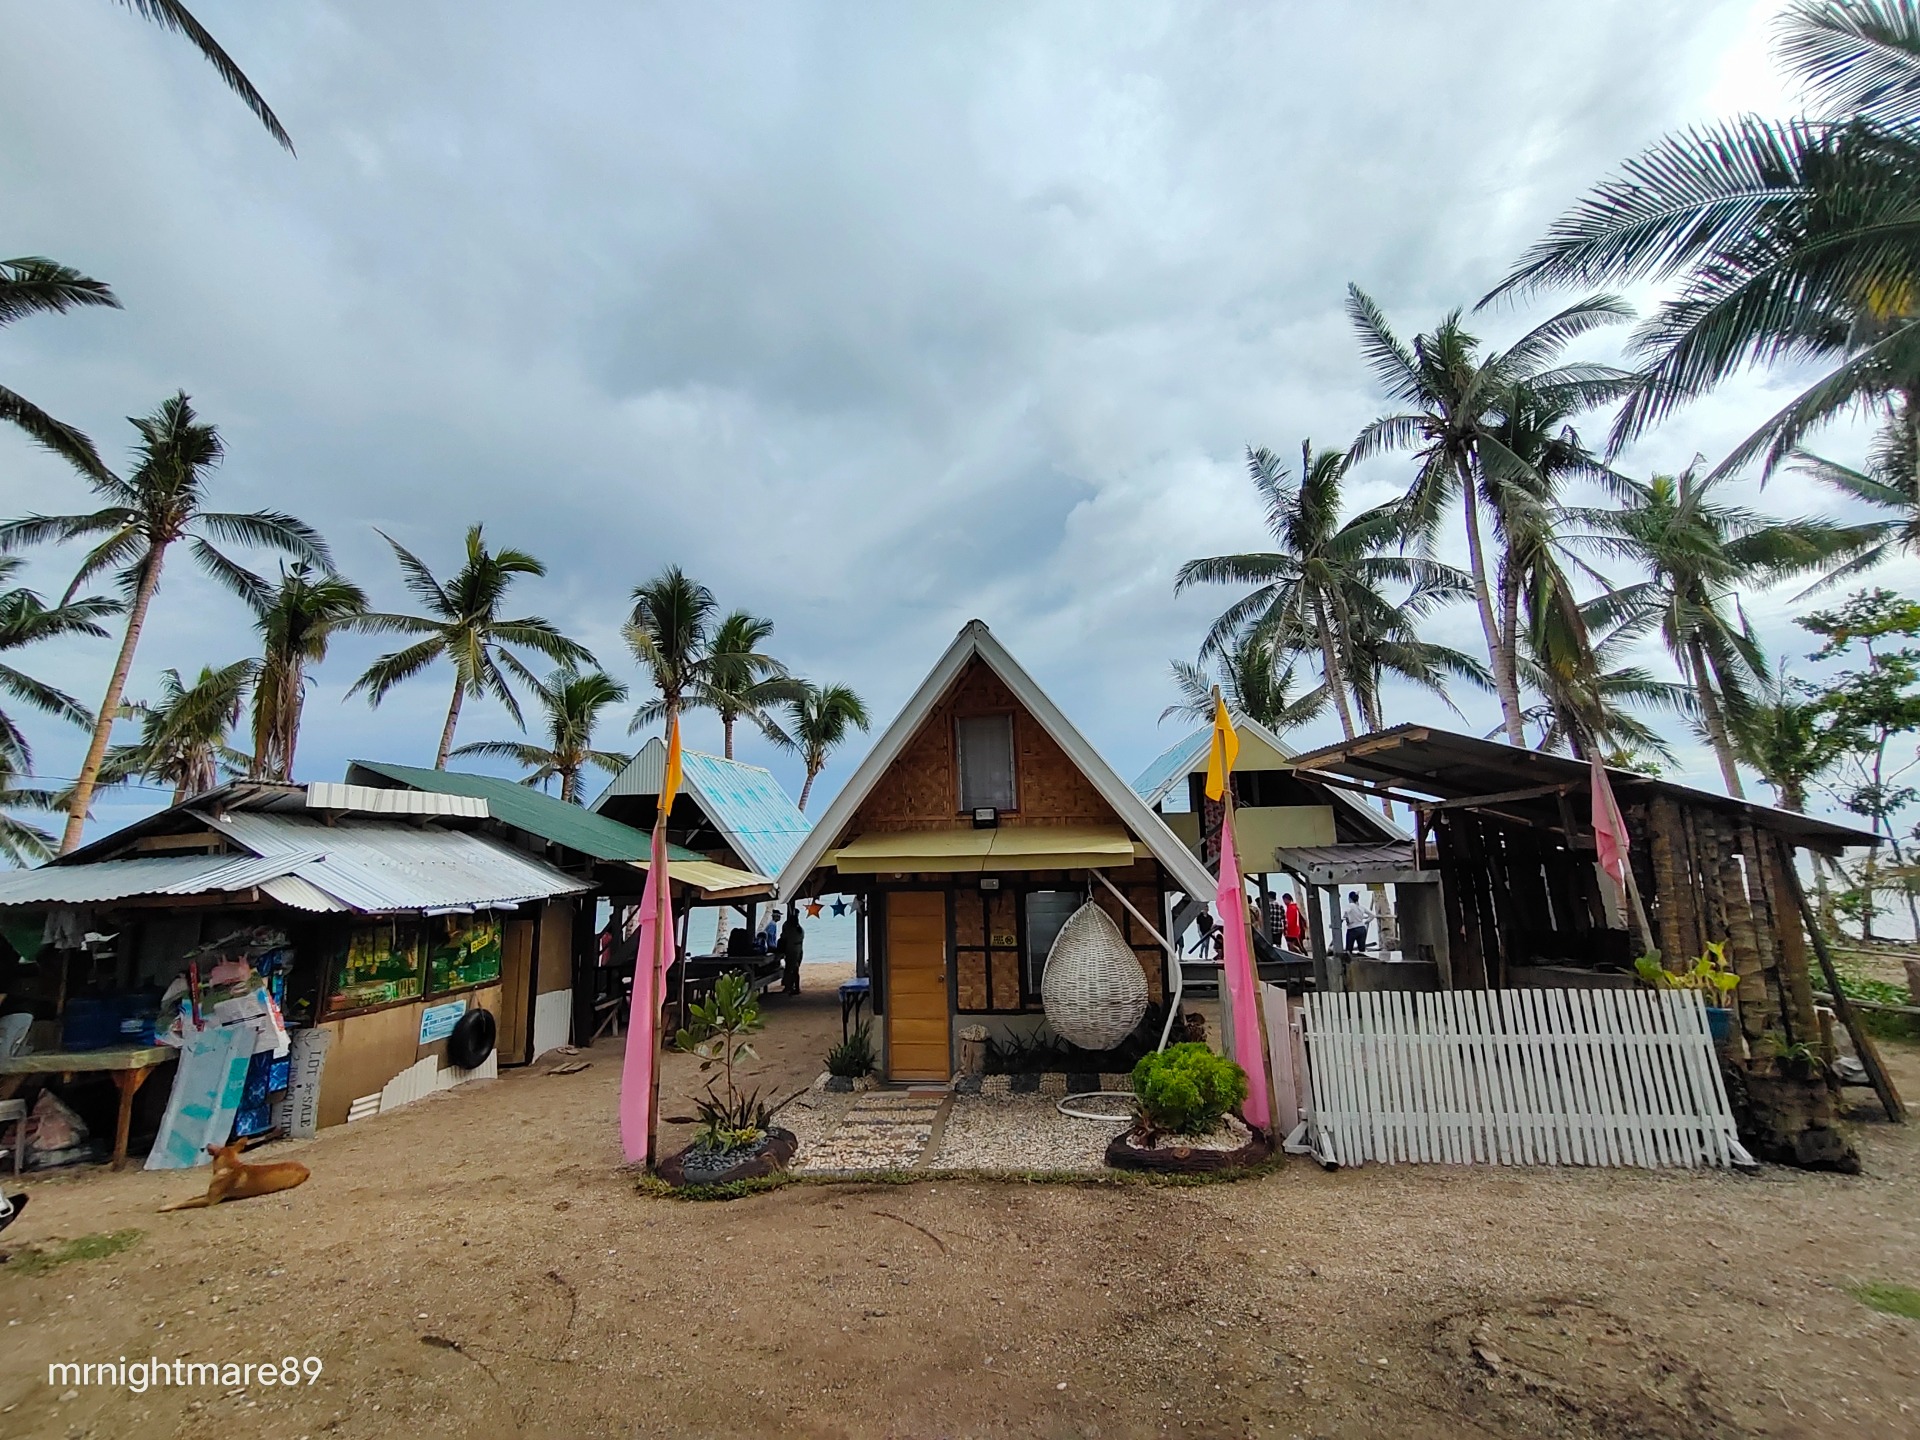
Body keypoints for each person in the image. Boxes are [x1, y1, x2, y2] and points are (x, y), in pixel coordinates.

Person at [778, 905, 805, 995]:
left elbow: (783, 938)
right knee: (795, 969)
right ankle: (794, 986)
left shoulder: (790, 930)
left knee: (790, 969)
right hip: (798, 950)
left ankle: (790, 987)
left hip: (792, 951)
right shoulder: (800, 929)